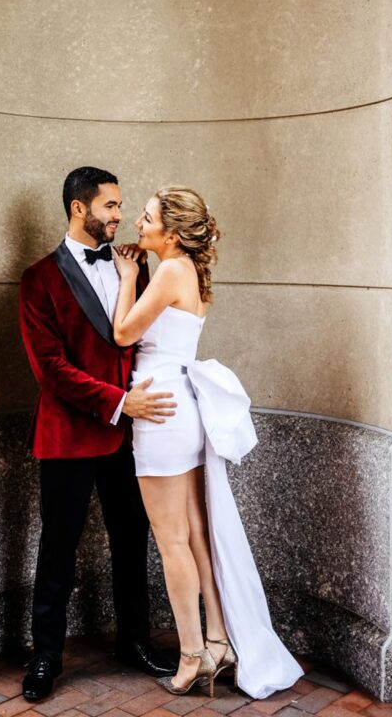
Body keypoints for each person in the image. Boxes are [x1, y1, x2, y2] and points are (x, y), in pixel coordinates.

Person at [111, 185, 303, 699]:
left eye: (147, 218)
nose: (138, 224)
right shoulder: (186, 270)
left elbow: (124, 334)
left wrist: (129, 275)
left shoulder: (170, 270)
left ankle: (192, 655)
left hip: (161, 411)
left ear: (172, 233)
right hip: (181, 407)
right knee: (195, 534)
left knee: (172, 541)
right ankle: (218, 640)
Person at [18, 166, 177, 702]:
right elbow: (50, 368)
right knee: (58, 548)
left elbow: (148, 339)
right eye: (110, 206)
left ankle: (134, 641)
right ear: (78, 208)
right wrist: (116, 401)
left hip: (131, 436)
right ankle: (46, 655)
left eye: (121, 206)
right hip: (67, 435)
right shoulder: (38, 279)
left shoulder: (135, 266)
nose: (118, 216)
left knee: (132, 542)